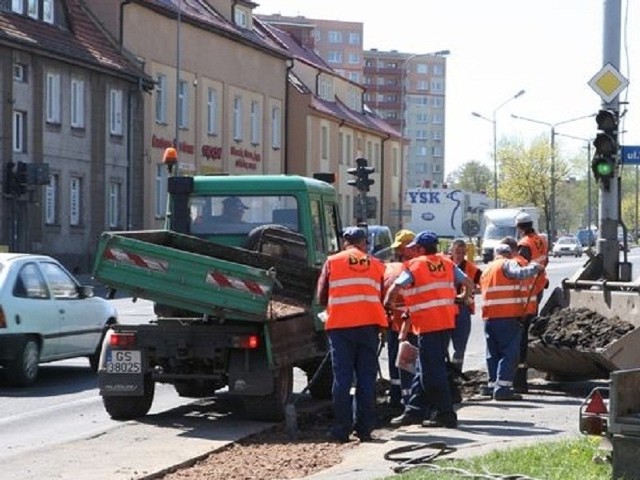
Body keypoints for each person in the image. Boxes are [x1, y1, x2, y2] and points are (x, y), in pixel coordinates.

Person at [385, 231, 474, 429]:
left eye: (416, 247)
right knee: (423, 368)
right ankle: (414, 411)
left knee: (431, 374)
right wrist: (463, 298)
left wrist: (387, 304)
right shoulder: (447, 263)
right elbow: (468, 283)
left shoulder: (415, 265)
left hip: (427, 325)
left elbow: (394, 289)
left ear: (421, 249)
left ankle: (446, 414)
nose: (414, 251)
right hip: (445, 322)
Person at [316, 226, 387, 443]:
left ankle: (341, 429)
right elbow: (382, 295)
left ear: (345, 242)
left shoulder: (333, 261)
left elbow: (321, 297)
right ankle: (364, 429)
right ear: (364, 243)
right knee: (366, 378)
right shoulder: (376, 264)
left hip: (341, 326)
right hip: (369, 327)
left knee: (342, 379)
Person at [479, 242, 544, 401]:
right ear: (509, 254)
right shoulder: (507, 264)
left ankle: (493, 385)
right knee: (509, 353)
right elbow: (520, 273)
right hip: (507, 316)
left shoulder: (487, 269)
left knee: (492, 353)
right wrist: (535, 267)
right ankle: (503, 389)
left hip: (489, 317)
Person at [514, 212, 549, 393]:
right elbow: (545, 261)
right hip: (538, 288)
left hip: (528, 293)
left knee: (520, 334)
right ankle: (520, 375)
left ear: (519, 227)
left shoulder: (524, 244)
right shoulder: (540, 240)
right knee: (524, 332)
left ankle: (519, 378)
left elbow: (521, 269)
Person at [384, 229, 416, 411]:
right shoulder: (396, 269)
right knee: (400, 364)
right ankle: (400, 397)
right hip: (396, 324)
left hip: (410, 325)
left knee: (405, 364)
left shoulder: (412, 269)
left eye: (401, 247)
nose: (398, 251)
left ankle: (404, 399)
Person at [446, 238, 482, 373]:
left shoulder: (472, 269)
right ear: (451, 251)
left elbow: (483, 284)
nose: (459, 255)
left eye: (462, 252)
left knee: (460, 346)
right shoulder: (443, 264)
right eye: (457, 252)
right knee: (442, 344)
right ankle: (445, 372)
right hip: (446, 309)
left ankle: (456, 373)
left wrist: (470, 294)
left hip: (462, 309)